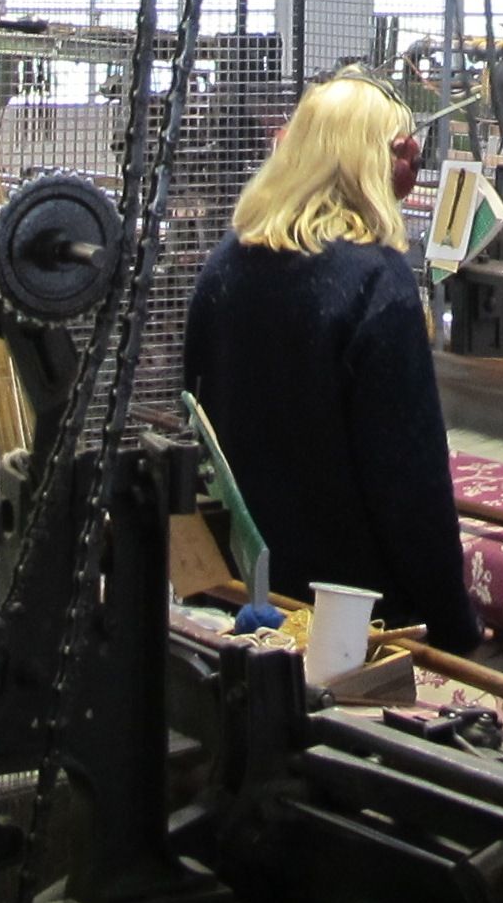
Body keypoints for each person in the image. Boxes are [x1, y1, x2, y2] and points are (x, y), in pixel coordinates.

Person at [182, 70, 482, 653]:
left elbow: (201, 427)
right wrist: (453, 623)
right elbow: (408, 480)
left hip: (249, 595)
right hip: (351, 619)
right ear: (374, 162)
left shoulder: (225, 266)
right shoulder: (377, 282)